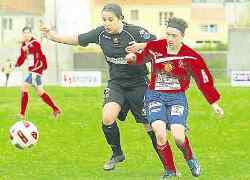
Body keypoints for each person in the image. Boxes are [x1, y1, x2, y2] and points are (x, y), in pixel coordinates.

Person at [40, 3, 169, 171]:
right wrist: (51, 35)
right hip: (117, 84)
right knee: (107, 118)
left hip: (139, 85)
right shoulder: (100, 34)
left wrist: (139, 47)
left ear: (120, 18)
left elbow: (160, 44)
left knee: (150, 127)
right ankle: (117, 154)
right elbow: (77, 39)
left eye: (110, 19)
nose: (107, 23)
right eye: (104, 20)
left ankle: (169, 167)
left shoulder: (136, 32)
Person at [126, 17, 224, 179]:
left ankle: (190, 159)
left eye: (174, 36)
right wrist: (132, 59)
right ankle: (170, 171)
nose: (170, 39)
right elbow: (141, 57)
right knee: (160, 132)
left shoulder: (191, 57)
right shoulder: (155, 47)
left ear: (182, 36)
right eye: (168, 35)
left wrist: (214, 103)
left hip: (177, 98)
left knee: (178, 136)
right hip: (154, 96)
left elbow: (203, 80)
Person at [16, 26, 61, 120]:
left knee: (24, 87)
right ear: (23, 34)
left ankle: (22, 113)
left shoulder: (35, 43)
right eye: (25, 33)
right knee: (41, 92)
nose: (26, 34)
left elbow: (40, 55)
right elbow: (22, 58)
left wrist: (39, 68)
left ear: (31, 33)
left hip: (36, 70)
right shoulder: (24, 45)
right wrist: (16, 64)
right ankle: (55, 109)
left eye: (28, 32)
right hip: (32, 70)